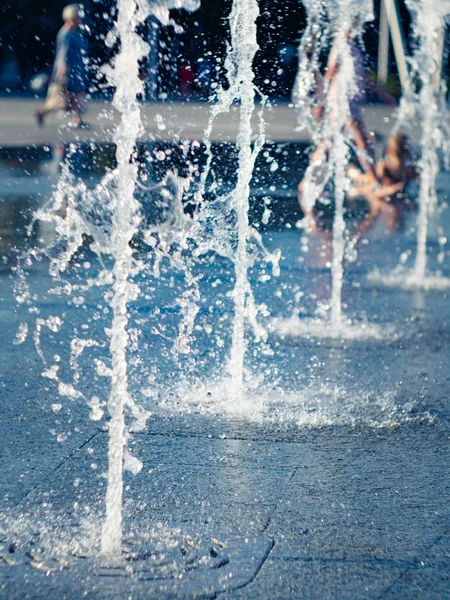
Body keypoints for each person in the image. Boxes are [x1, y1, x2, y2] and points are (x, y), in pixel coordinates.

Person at [36, 4, 88, 128]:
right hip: (68, 69)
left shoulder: (75, 32)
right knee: (60, 97)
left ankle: (77, 120)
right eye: (77, 16)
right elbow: (63, 53)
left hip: (76, 69)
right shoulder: (66, 33)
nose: (80, 18)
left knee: (75, 94)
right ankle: (42, 111)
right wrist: (63, 70)